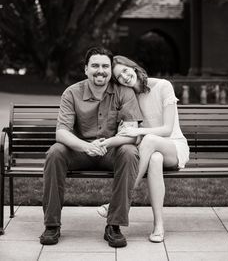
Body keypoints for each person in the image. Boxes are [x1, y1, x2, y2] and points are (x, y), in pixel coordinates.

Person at [40, 48, 142, 248]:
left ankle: (114, 225)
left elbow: (131, 135)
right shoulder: (71, 92)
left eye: (105, 66)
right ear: (86, 69)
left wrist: (106, 143)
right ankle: (52, 224)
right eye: (95, 65)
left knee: (130, 153)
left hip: (111, 152)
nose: (100, 71)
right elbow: (61, 133)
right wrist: (87, 146)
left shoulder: (124, 92)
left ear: (110, 71)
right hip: (80, 151)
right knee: (55, 152)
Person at [97, 55, 189, 243]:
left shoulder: (163, 86)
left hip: (174, 146)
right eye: (119, 77)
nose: (124, 76)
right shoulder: (130, 97)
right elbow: (134, 134)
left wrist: (139, 131)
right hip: (152, 151)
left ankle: (118, 201)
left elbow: (167, 129)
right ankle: (159, 226)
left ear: (133, 67)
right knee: (154, 158)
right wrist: (114, 138)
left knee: (149, 141)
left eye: (125, 70)